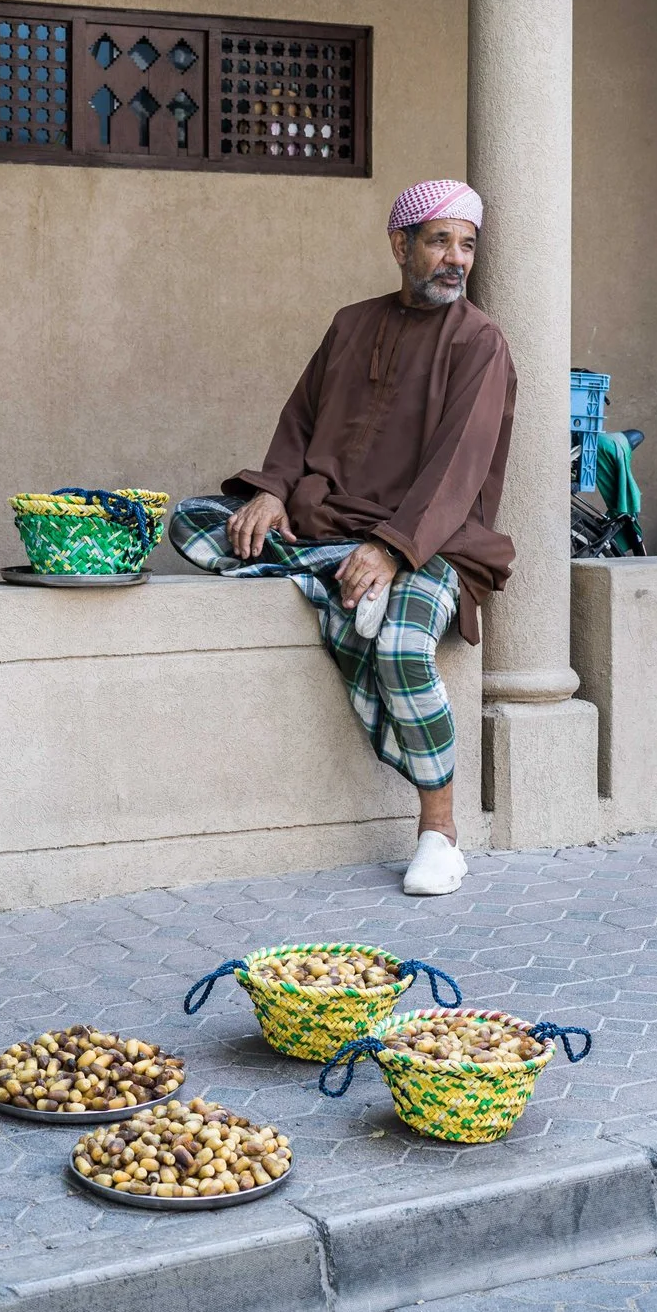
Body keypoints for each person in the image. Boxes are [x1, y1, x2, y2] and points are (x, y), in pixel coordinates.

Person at [169, 179, 515, 896]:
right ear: (400, 245)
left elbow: (460, 466)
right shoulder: (351, 324)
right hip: (327, 526)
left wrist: (392, 547)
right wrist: (269, 491)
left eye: (467, 244)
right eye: (439, 240)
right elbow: (299, 422)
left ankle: (439, 833)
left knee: (398, 645)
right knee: (196, 521)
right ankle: (333, 581)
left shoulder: (479, 341)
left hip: (433, 542)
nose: (456, 259)